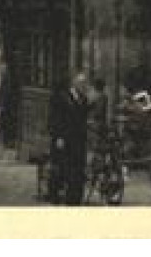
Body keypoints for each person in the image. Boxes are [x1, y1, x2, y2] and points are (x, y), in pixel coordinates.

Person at [48, 73, 91, 205]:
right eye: (82, 84)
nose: (84, 86)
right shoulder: (61, 97)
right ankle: (55, 194)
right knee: (61, 168)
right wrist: (58, 136)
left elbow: (83, 117)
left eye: (85, 84)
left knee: (78, 169)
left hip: (79, 140)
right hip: (64, 139)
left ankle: (75, 198)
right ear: (75, 84)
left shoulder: (83, 99)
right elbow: (55, 118)